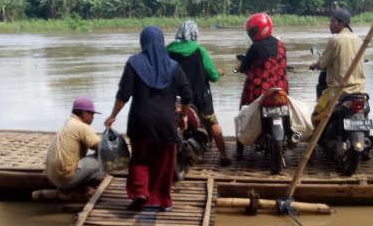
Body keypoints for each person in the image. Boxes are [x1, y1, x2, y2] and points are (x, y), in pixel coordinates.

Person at [104, 26, 193, 211]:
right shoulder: (174, 67)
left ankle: (140, 192)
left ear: (143, 42)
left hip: (140, 121)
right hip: (166, 122)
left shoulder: (133, 63)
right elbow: (187, 96)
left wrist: (113, 116)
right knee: (164, 162)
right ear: (161, 42)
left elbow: (123, 94)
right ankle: (162, 201)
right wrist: (183, 116)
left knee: (139, 159)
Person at [166, 20, 231, 167]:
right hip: (199, 96)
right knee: (212, 122)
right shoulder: (199, 50)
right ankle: (223, 155)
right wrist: (218, 73)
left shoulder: (168, 50)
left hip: (175, 97)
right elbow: (212, 75)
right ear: (195, 33)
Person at [235, 12, 289, 160]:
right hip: (280, 90)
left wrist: (242, 67)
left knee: (242, 113)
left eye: (253, 31)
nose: (251, 34)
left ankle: (239, 150)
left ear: (260, 29)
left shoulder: (255, 48)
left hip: (258, 91)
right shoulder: (281, 45)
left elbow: (245, 67)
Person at [308, 8, 366, 122]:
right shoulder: (359, 40)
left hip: (338, 92)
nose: (330, 25)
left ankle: (320, 138)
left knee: (316, 115)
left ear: (341, 23)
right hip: (360, 90)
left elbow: (323, 63)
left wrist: (316, 65)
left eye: (332, 21)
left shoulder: (335, 40)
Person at [44, 96, 104, 196]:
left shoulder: (67, 124)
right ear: (85, 113)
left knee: (89, 158)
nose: (93, 118)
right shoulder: (81, 126)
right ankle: (85, 183)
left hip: (53, 179)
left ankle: (85, 182)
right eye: (92, 114)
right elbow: (103, 148)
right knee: (103, 156)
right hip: (67, 180)